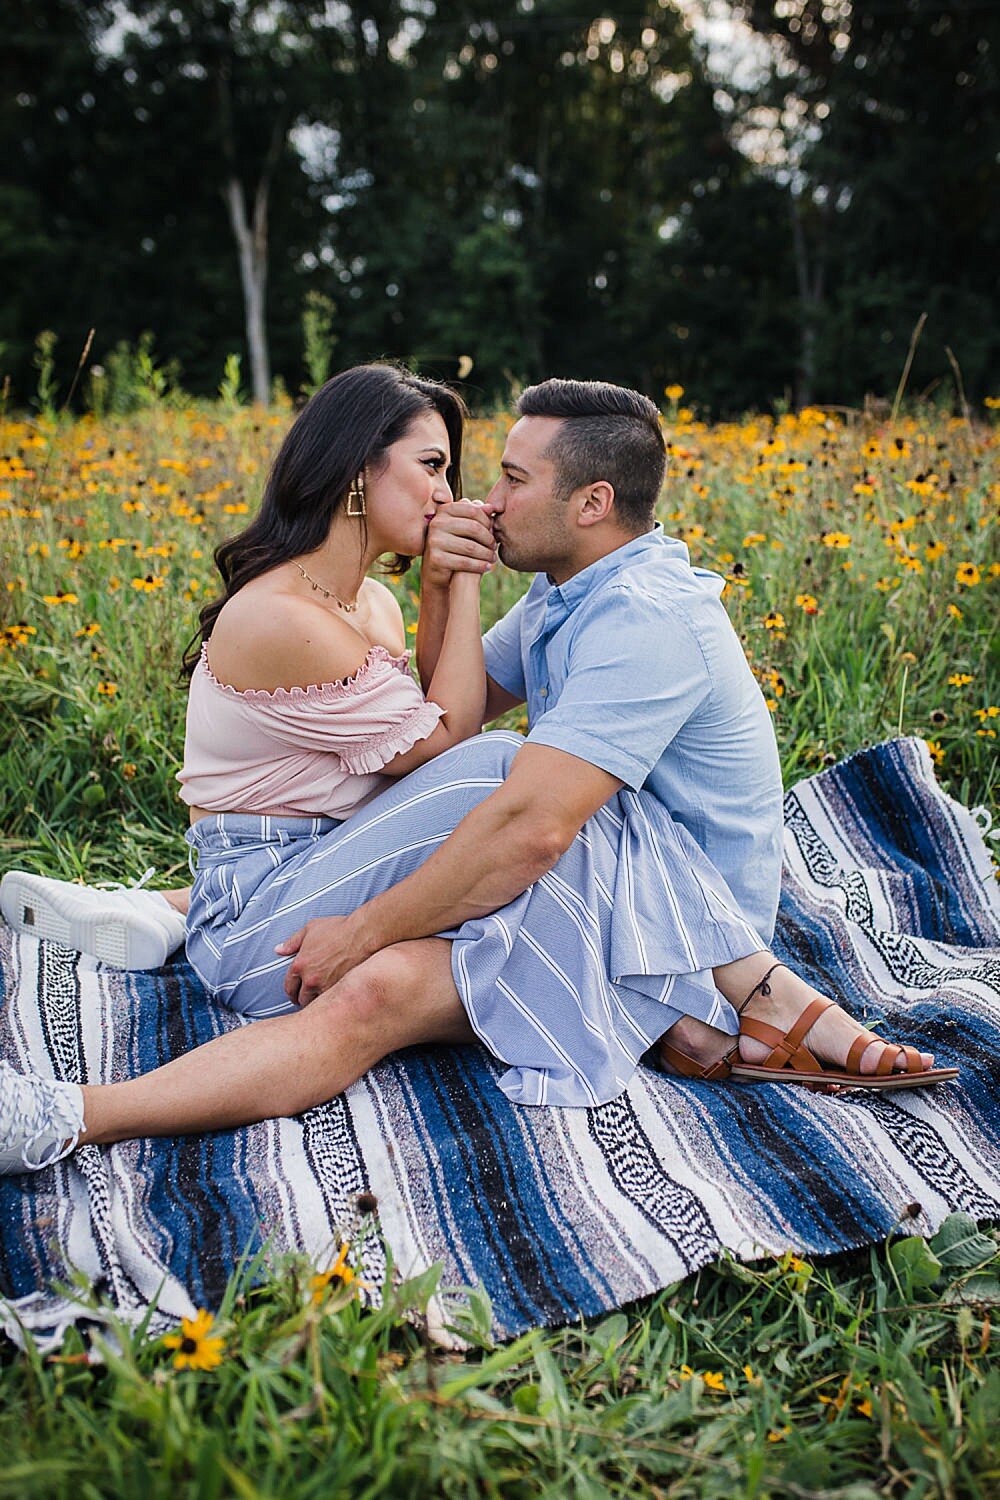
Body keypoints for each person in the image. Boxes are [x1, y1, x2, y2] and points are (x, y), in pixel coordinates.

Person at [0, 370, 956, 1173]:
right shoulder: (555, 596)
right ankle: (759, 1000)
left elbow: (496, 796)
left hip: (646, 909)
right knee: (511, 773)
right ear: (354, 475)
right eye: (449, 472)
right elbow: (450, 727)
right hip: (515, 884)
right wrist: (452, 585)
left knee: (400, 955)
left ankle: (89, 1076)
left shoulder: (642, 618)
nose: (478, 502)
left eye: (500, 479)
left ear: (591, 503)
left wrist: (361, 932)